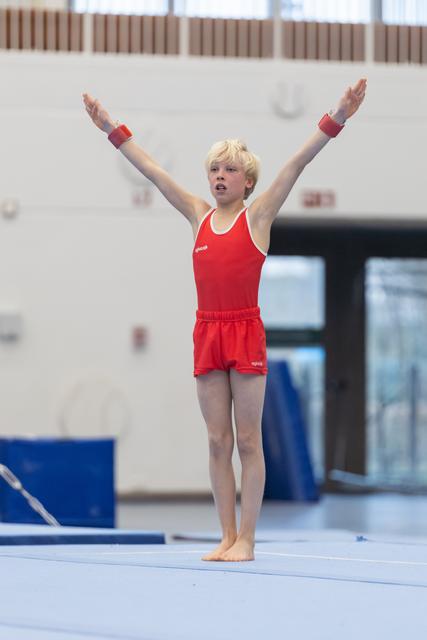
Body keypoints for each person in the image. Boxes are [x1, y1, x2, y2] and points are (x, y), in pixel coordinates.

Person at [83, 78, 367, 562]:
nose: (218, 176)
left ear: (247, 181)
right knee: (217, 440)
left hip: (244, 328)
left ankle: (249, 541)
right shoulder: (196, 214)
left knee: (249, 440)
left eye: (229, 170)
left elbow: (298, 162)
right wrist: (111, 127)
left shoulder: (257, 218)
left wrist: (337, 115)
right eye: (214, 168)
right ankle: (226, 536)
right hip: (208, 330)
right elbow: (152, 171)